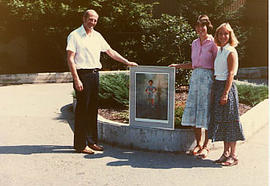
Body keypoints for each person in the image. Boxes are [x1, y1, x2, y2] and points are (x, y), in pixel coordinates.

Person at [66, 9, 138, 154]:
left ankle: (92, 142)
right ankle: (80, 145)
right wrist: (76, 79)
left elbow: (110, 51)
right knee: (82, 111)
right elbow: (70, 59)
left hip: (94, 74)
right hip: (82, 75)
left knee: (92, 110)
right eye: (90, 19)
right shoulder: (74, 35)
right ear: (84, 18)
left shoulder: (97, 36)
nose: (92, 22)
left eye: (95, 20)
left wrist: (126, 61)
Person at [169, 15, 217, 159]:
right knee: (196, 111)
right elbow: (193, 64)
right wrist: (177, 66)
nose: (201, 28)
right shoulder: (194, 43)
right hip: (195, 79)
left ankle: (206, 146)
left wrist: (216, 85)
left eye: (204, 25)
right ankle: (198, 143)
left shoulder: (213, 43)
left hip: (208, 80)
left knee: (206, 111)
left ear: (207, 26)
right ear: (195, 27)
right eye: (198, 25)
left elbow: (216, 65)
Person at [208, 23, 245, 166]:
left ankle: (233, 155)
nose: (223, 36)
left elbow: (230, 74)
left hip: (226, 88)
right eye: (220, 34)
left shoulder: (231, 51)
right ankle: (225, 153)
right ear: (217, 35)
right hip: (218, 86)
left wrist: (225, 94)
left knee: (230, 122)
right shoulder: (220, 50)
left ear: (230, 36)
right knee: (222, 122)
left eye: (226, 34)